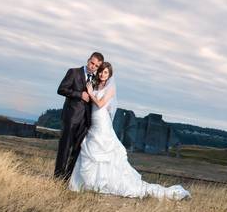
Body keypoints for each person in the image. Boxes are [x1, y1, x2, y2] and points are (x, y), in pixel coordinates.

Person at [68, 62, 191, 200]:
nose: (103, 74)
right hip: (93, 121)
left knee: (104, 151)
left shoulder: (111, 88)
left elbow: (101, 104)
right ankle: (88, 183)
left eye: (106, 72)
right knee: (90, 149)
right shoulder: (94, 84)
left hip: (102, 122)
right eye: (101, 71)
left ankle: (103, 184)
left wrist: (90, 93)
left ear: (110, 75)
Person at [54, 52, 103, 180]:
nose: (93, 67)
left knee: (77, 152)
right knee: (64, 149)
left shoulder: (96, 80)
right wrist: (79, 94)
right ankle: (57, 178)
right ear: (88, 60)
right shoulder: (73, 72)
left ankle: (67, 180)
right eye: (92, 63)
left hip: (85, 121)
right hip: (70, 118)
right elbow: (61, 89)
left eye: (97, 66)